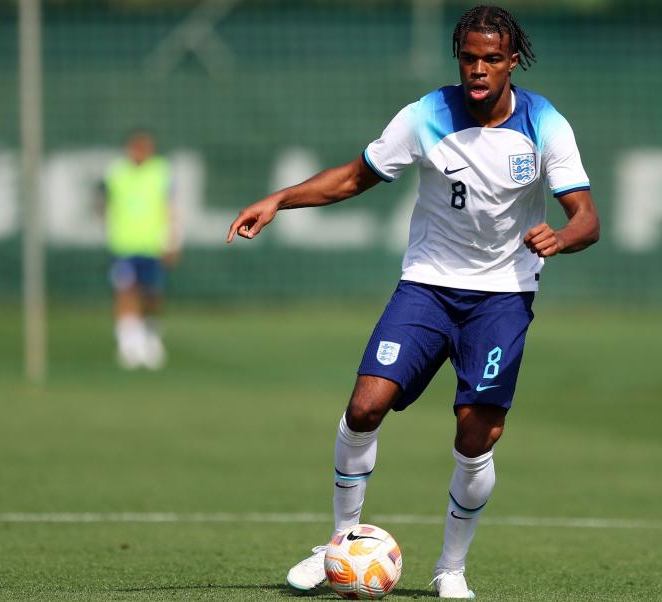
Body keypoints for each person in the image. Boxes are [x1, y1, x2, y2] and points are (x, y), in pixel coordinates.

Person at [227, 5, 599, 598]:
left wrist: (562, 237)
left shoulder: (545, 122)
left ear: (512, 63)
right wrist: (278, 199)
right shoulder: (426, 114)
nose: (479, 69)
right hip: (426, 285)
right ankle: (338, 547)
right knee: (365, 407)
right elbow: (353, 177)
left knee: (476, 435)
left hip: (503, 297)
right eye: (469, 57)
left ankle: (450, 569)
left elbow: (587, 218)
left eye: (492, 59)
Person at [102, 130, 180, 369]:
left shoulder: (160, 171)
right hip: (123, 245)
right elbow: (103, 200)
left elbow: (169, 207)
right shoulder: (117, 172)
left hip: (151, 245)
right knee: (125, 291)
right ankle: (129, 342)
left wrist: (171, 240)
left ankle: (150, 335)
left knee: (152, 294)